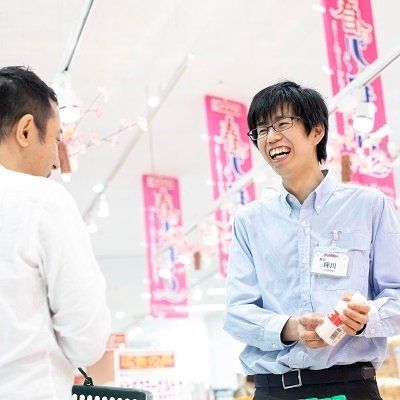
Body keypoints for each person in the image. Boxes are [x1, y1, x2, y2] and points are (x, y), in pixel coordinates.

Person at [223, 80, 400, 400]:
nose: (270, 137)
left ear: (316, 131)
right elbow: (236, 313)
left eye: (282, 124)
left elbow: (397, 295)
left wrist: (365, 318)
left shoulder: (369, 206)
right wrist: (291, 327)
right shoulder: (250, 221)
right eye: (261, 130)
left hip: (350, 385)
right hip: (275, 389)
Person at [0, 66, 111, 399]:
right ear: (25, 131)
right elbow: (86, 339)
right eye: (56, 138)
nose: (55, 159)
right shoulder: (41, 200)